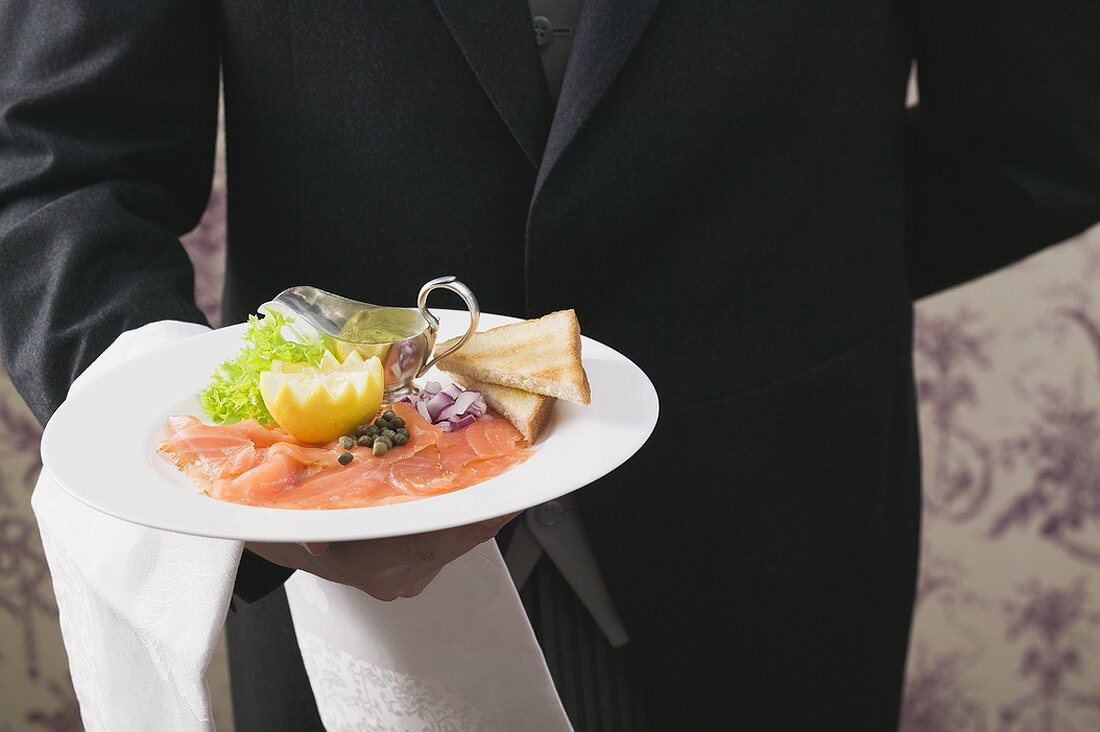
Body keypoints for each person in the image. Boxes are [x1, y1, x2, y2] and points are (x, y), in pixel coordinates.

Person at [1, 0, 1098, 729]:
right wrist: (196, 465)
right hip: (329, 568)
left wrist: (786, 285)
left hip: (767, 547)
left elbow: (1047, 132)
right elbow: (55, 164)